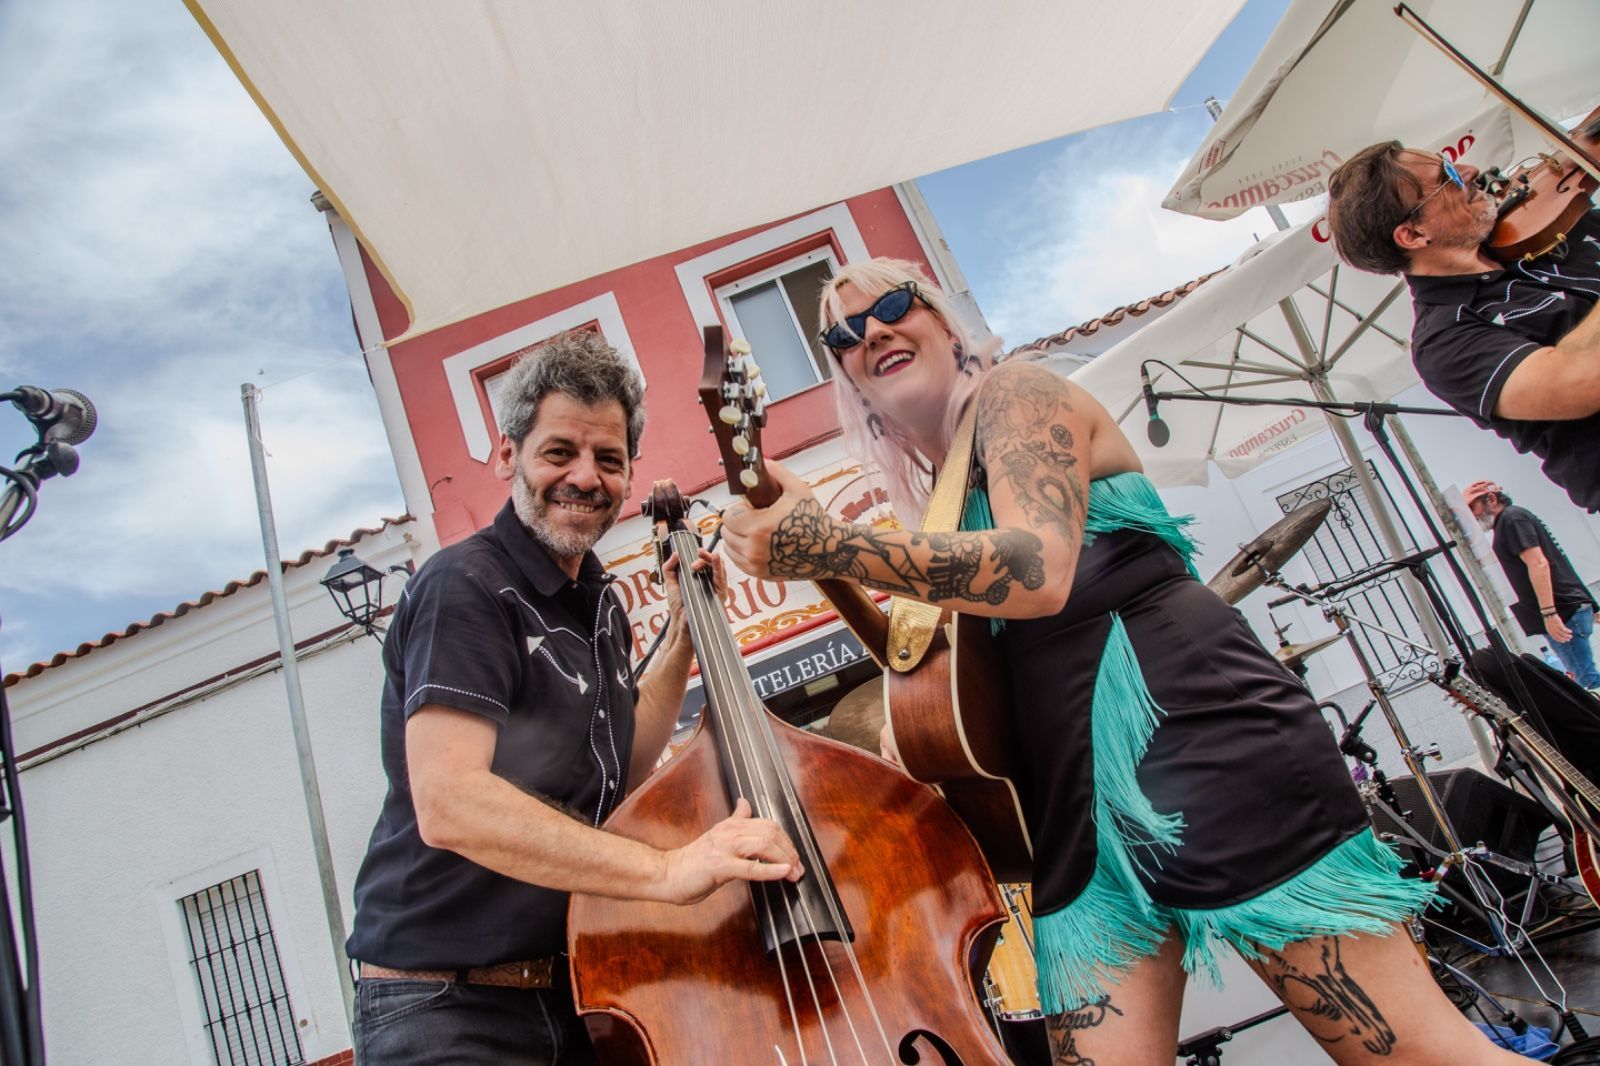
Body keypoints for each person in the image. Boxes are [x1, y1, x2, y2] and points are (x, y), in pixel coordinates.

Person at [719, 259, 1521, 1066]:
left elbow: (1038, 567)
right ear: (849, 380)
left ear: (946, 320)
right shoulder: (945, 498)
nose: (872, 332)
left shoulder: (1018, 394)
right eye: (843, 334)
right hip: (1074, 797)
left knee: (1417, 1055)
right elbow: (955, 680)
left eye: (893, 304)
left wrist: (831, 547)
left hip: (1201, 734)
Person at [345, 331, 803, 1065]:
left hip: (576, 992)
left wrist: (683, 637)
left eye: (609, 460)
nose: (585, 477)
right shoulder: (467, 586)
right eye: (560, 452)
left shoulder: (600, 605)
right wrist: (666, 870)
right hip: (449, 1009)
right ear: (508, 455)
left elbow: (620, 764)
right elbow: (451, 802)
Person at [1325, 142, 1600, 512]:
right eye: (1449, 177)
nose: (1470, 171)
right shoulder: (1445, 341)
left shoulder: (1546, 227)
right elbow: (1580, 380)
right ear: (1413, 234)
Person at [1464, 479, 1600, 689]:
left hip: (1562, 612)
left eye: (1473, 508)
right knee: (1584, 679)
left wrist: (1549, 613)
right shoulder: (1515, 518)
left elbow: (1539, 564)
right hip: (1565, 609)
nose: (1473, 516)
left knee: (1587, 683)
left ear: (1491, 499)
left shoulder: (1511, 520)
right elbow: (1557, 561)